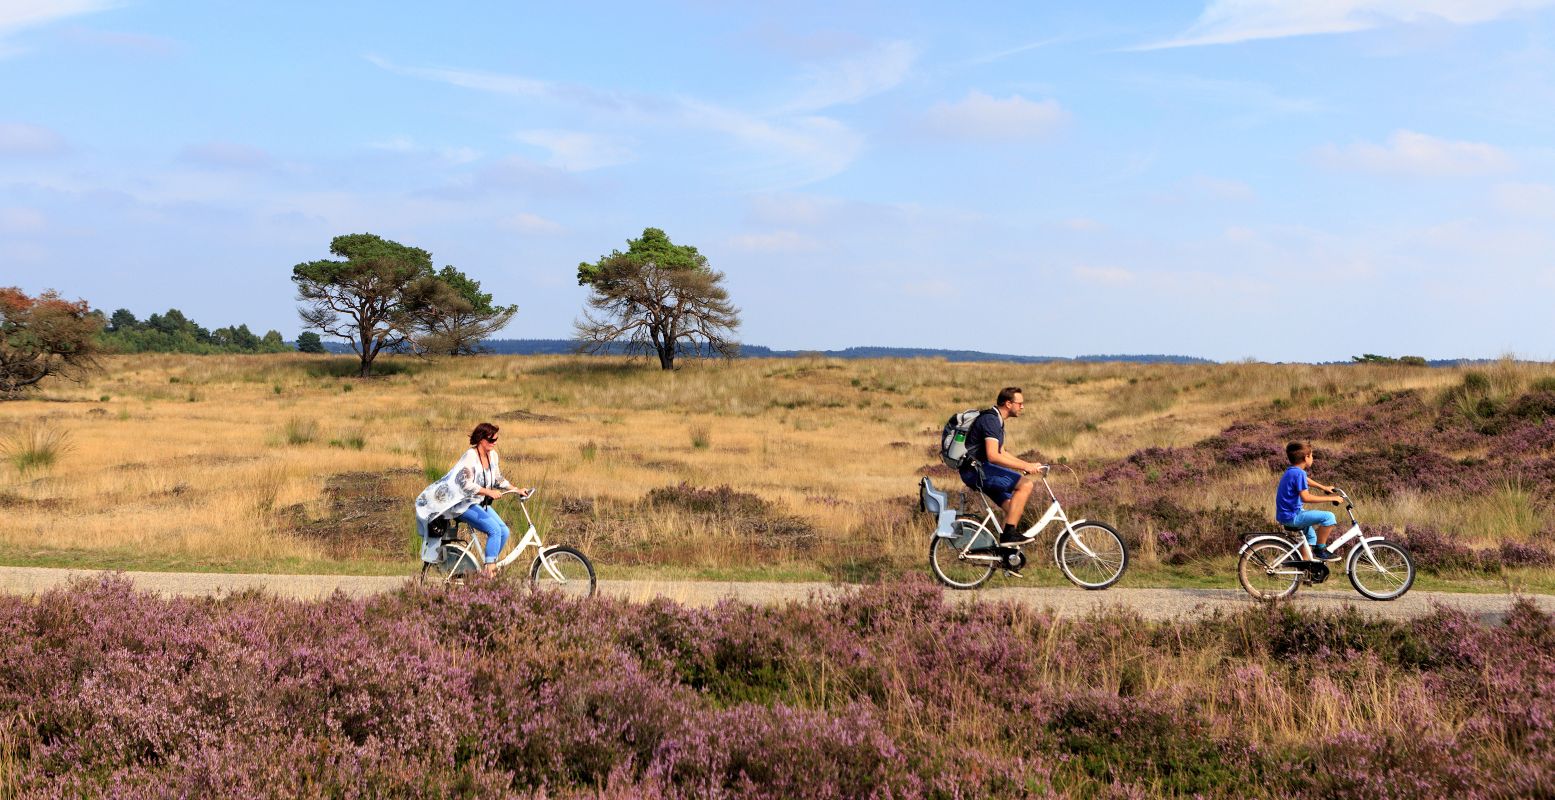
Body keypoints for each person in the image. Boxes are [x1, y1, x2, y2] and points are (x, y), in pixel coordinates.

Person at [415, 422, 531, 572]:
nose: (494, 443)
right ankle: (490, 573)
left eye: (496, 440)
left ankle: (489, 565)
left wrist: (516, 489)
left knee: (504, 531)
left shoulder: (493, 456)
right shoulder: (471, 456)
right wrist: (488, 492)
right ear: (481, 439)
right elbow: (464, 484)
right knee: (494, 530)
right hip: (462, 504)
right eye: (491, 440)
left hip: (478, 502)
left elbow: (498, 479)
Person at [958, 387, 1047, 556]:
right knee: (1026, 485)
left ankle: (1006, 556)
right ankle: (1008, 536)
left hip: (978, 470)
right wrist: (1025, 467)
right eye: (1020, 403)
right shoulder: (991, 421)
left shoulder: (997, 420)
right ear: (1008, 403)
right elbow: (993, 456)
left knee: (1012, 508)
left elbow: (1002, 453)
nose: (1022, 407)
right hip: (977, 472)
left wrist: (1025, 464)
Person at [1275, 441, 1344, 561]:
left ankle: (1306, 570)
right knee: (1329, 517)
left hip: (1286, 515)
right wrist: (1332, 498)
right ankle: (1321, 550)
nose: (1313, 458)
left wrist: (1324, 487)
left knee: (1311, 537)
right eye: (1312, 456)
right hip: (1293, 516)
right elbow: (1306, 498)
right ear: (1306, 457)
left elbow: (1305, 480)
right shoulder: (1299, 473)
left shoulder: (1292, 471)